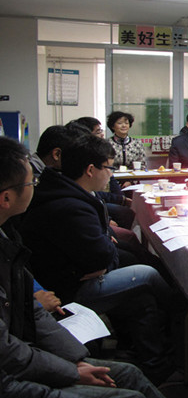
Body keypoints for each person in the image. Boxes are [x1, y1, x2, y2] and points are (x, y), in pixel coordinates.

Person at [0, 136, 164, 397]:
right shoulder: (66, 206)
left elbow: (31, 308)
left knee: (132, 361)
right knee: (147, 275)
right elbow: (9, 353)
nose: (36, 187)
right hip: (17, 374)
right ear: (7, 198)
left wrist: (77, 359)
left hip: (34, 345)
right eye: (31, 183)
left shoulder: (8, 233)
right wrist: (72, 371)